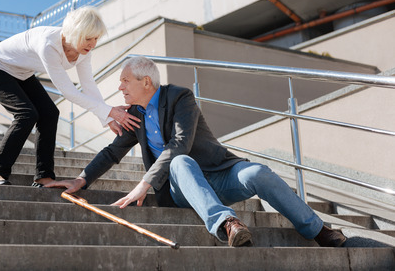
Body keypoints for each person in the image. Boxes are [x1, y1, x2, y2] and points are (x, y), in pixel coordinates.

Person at [45, 56, 347, 247]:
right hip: (179, 187)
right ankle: (228, 224)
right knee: (180, 164)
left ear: (146, 81)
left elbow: (180, 143)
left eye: (125, 80)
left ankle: (318, 231)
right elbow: (112, 152)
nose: (120, 87)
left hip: (219, 174)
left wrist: (144, 182)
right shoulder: (133, 114)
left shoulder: (180, 97)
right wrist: (81, 180)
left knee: (258, 172)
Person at [0, 6, 140, 187]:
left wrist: (108, 117)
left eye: (96, 38)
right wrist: (110, 111)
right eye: (88, 39)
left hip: (22, 73)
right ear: (74, 33)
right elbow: (69, 92)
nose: (92, 44)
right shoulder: (49, 45)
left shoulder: (83, 52)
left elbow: (89, 86)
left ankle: (44, 176)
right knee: (27, 114)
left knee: (50, 113)